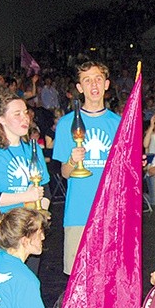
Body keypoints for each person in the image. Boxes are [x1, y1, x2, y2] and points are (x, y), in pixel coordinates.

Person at [53, 61, 121, 275]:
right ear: (79, 87)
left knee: (108, 277)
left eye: (98, 79)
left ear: (107, 84)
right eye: (87, 80)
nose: (94, 84)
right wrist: (73, 161)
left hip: (111, 213)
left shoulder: (119, 123)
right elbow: (64, 173)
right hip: (79, 213)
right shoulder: (66, 124)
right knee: (79, 280)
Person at [0, 94, 50, 269]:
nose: (25, 118)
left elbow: (45, 189)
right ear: (1, 119)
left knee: (27, 285)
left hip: (28, 232)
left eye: (25, 112)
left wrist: (38, 216)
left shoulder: (33, 148)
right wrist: (26, 196)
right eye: (17, 114)